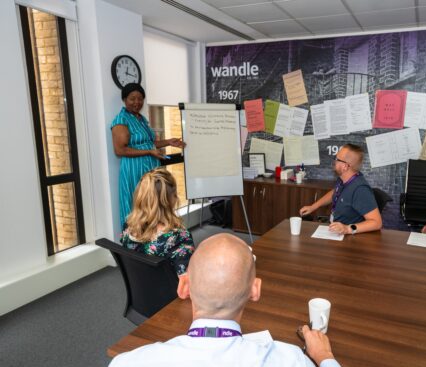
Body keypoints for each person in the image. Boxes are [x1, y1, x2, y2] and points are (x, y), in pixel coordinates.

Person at [109, 233, 341, 367]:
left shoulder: (128, 363)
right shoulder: (291, 360)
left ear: (184, 286)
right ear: (255, 290)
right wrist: (325, 357)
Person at [111, 83, 184, 227]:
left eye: (140, 99)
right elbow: (120, 150)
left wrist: (168, 142)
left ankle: (154, 236)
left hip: (150, 168)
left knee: (154, 202)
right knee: (138, 203)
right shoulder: (121, 120)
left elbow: (148, 143)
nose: (137, 102)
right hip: (134, 170)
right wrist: (149, 152)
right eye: (132, 99)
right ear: (124, 99)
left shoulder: (141, 119)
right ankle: (135, 238)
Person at [121, 168, 194, 277]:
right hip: (171, 293)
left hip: (141, 290)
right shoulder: (179, 237)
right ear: (168, 201)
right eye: (174, 195)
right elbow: (186, 280)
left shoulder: (129, 228)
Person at [299, 144, 382, 235]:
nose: (334, 161)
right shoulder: (343, 178)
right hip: (335, 229)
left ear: (345, 166)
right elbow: (335, 192)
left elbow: (377, 223)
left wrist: (347, 229)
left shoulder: (360, 189)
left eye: (337, 159)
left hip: (348, 237)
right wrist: (313, 207)